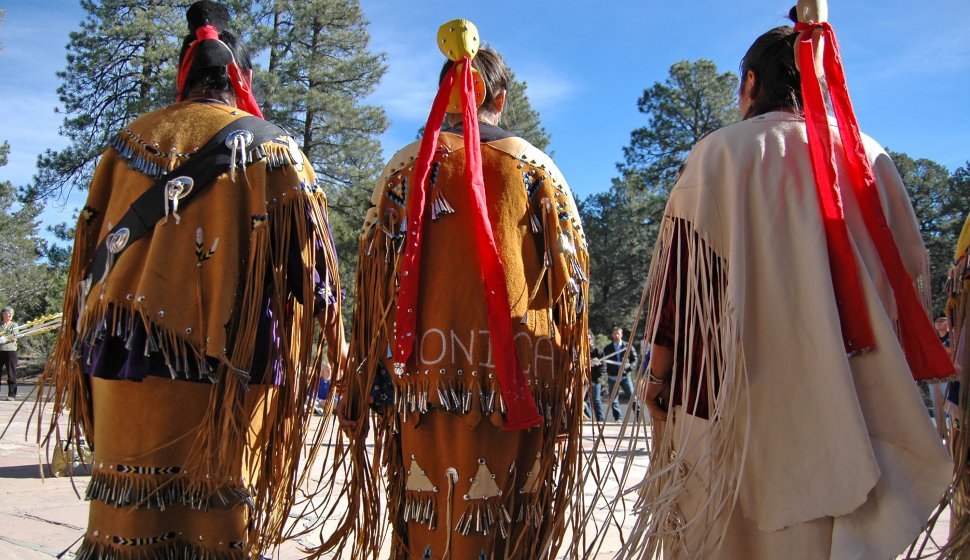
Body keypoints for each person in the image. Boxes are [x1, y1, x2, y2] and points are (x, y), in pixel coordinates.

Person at [628, 3, 952, 559]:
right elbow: (910, 274)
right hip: (857, 390)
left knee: (735, 535)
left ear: (751, 82)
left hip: (735, 399)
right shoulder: (870, 156)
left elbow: (680, 281)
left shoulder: (718, 154)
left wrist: (658, 375)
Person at [37, 2, 343, 558]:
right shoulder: (275, 148)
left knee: (125, 530)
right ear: (241, 79)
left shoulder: (127, 142)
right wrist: (340, 353)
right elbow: (314, 271)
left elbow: (86, 256)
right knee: (214, 531)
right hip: (224, 369)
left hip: (123, 361)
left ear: (186, 75)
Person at [336, 20, 589, 559]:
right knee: (508, 530)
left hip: (422, 388)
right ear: (499, 96)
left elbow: (373, 291)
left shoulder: (403, 169)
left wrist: (363, 380)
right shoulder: (536, 168)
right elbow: (572, 291)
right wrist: (569, 390)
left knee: (431, 525)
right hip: (518, 387)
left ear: (445, 91)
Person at [604, 326, 637, 421]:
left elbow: (635, 360)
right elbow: (603, 360)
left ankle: (639, 417)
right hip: (612, 377)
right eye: (615, 333)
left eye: (618, 333)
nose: (616, 335)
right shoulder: (607, 348)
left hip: (625, 376)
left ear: (621, 334)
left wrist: (630, 367)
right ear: (612, 335)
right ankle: (618, 418)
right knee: (613, 399)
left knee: (632, 397)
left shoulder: (628, 347)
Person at [587, 331, 608, 422]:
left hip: (595, 380)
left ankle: (600, 420)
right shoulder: (579, 351)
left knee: (596, 400)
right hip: (582, 380)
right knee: (584, 400)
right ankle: (587, 418)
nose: (588, 341)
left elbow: (603, 367)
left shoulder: (598, 352)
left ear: (592, 340)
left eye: (589, 339)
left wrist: (596, 365)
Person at [0, 307, 19, 400]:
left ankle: (11, 395)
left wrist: (5, 339)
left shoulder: (14, 325)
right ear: (3, 314)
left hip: (10, 351)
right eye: (8, 313)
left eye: (11, 313)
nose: (10, 315)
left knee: (11, 373)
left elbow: (15, 336)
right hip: (0, 351)